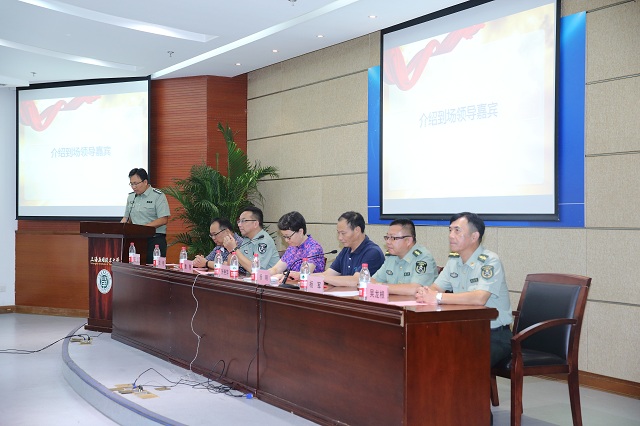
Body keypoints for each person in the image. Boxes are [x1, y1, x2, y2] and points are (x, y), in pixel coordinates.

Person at [415, 212, 512, 367]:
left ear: (474, 236)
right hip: (462, 331)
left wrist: (437, 297)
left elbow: (479, 298)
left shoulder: (490, 261)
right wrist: (425, 293)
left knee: (458, 361)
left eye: (457, 231)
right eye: (450, 230)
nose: (451, 236)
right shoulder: (454, 260)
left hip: (493, 335)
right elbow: (435, 288)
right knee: (424, 350)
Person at [371, 219, 438, 295]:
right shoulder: (391, 257)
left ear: (408, 241)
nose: (388, 242)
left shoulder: (423, 258)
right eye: (387, 237)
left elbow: (415, 289)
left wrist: (382, 286)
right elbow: (373, 281)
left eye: (393, 238)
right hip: (395, 302)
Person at [120, 168, 170, 263]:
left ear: (145, 182)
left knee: (154, 269)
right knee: (135, 269)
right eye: (131, 184)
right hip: (136, 240)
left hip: (155, 240)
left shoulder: (158, 196)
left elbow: (163, 219)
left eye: (136, 183)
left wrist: (143, 228)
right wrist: (118, 228)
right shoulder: (131, 197)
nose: (133, 187)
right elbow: (126, 218)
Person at [322, 211, 385, 287]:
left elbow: (356, 281)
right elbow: (328, 274)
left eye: (343, 233)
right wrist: (310, 277)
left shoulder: (373, 252)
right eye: (338, 233)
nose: (340, 238)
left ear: (357, 230)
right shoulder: (346, 249)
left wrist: (323, 278)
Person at [268, 211, 325, 281]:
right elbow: (276, 269)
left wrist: (283, 275)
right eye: (284, 237)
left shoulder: (314, 248)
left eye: (288, 237)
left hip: (310, 286)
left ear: (300, 232)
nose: (286, 240)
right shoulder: (292, 247)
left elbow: (303, 275)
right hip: (292, 285)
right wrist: (263, 274)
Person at [222, 206, 279, 272]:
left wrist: (234, 249)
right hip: (249, 277)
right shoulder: (247, 239)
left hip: (268, 278)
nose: (239, 225)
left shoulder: (264, 241)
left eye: (243, 221)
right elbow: (232, 266)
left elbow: (255, 270)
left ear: (255, 224)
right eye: (239, 221)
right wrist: (231, 250)